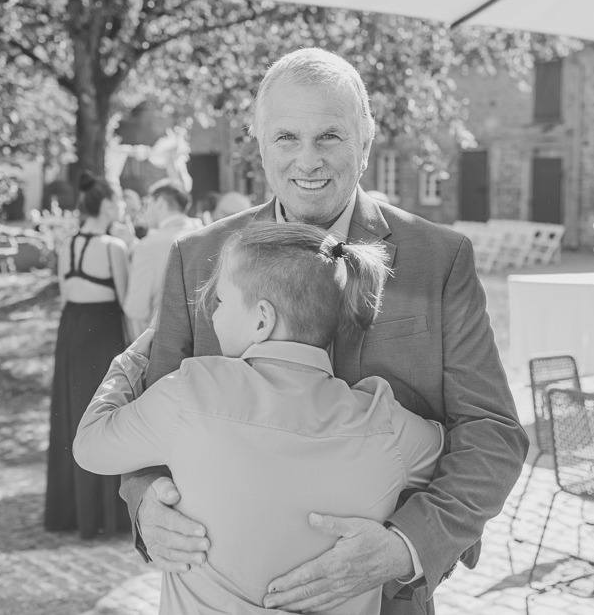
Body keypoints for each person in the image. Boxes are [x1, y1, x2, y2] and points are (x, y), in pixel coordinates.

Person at [118, 48, 527, 614]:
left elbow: (493, 432)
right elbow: (151, 415)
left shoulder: (440, 259)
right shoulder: (198, 256)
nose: (307, 160)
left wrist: (404, 546)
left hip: (381, 599)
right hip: (221, 593)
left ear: (366, 138)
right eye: (286, 137)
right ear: (259, 143)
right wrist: (145, 503)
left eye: (329, 136)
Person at [75, 222, 444, 614]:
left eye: (220, 302)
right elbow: (451, 456)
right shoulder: (383, 422)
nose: (211, 316)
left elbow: (89, 446)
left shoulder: (191, 390)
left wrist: (128, 364)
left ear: (262, 320)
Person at [44, 172, 133, 539]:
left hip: (72, 330)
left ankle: (72, 511)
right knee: (105, 414)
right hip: (103, 330)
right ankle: (107, 513)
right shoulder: (113, 246)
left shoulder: (67, 245)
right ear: (109, 205)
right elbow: (127, 303)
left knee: (70, 414)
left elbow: (66, 294)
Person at [123, 179, 200, 341]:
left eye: (148, 203)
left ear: (160, 202)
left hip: (164, 345)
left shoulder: (148, 246)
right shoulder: (207, 235)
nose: (145, 211)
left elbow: (136, 309)